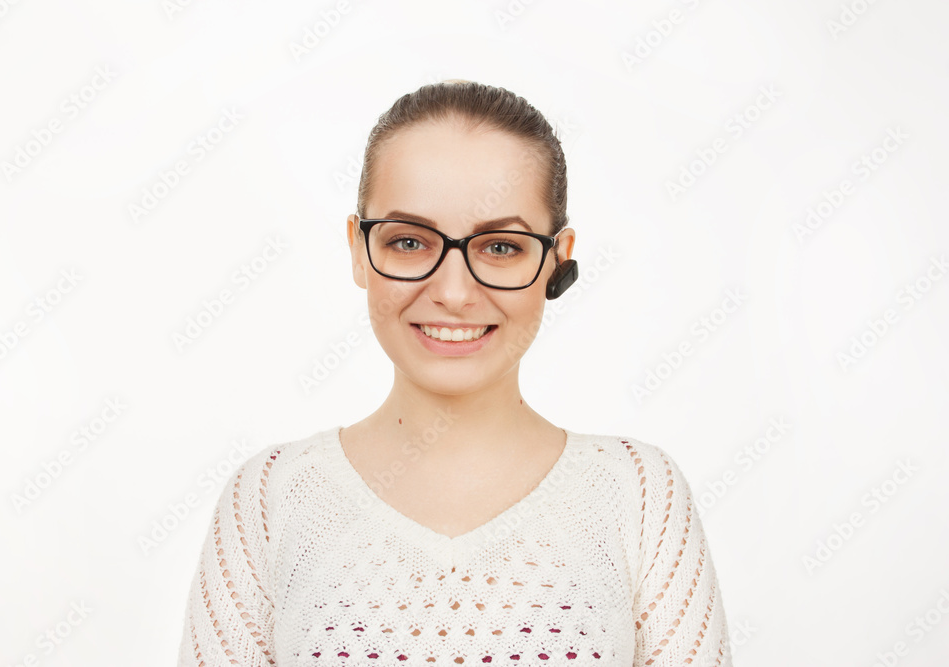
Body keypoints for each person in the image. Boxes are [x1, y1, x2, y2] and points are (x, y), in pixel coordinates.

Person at [177, 79, 732, 666]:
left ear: (557, 258)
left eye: (500, 247)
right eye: (411, 241)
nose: (453, 292)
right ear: (359, 250)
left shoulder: (639, 497)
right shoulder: (271, 499)